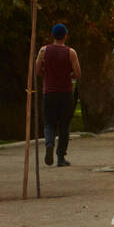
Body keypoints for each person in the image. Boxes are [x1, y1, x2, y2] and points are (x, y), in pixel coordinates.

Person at [35, 23, 81, 167]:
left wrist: (47, 75)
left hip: (49, 92)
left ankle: (49, 143)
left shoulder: (43, 50)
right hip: (66, 93)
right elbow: (78, 73)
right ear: (65, 35)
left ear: (53, 35)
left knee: (49, 123)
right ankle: (61, 157)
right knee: (64, 126)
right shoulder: (71, 52)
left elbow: (37, 70)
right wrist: (68, 75)